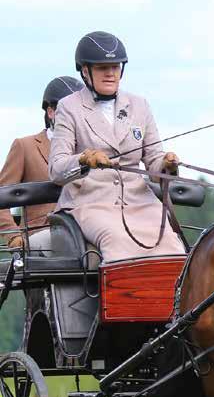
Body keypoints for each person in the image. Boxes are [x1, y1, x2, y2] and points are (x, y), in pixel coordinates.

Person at [49, 31, 185, 263]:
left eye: (115, 67)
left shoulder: (139, 105)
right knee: (118, 243)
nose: (111, 73)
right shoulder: (68, 107)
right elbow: (56, 169)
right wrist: (84, 159)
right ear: (85, 71)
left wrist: (166, 163)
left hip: (139, 200)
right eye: (103, 68)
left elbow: (153, 159)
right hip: (92, 202)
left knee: (173, 245)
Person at [0, 77, 83, 248]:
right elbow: (1, 197)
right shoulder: (25, 147)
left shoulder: (92, 149)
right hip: (43, 236)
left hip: (88, 231)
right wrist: (13, 237)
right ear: (51, 112)